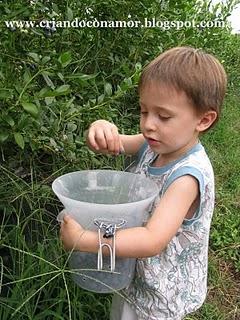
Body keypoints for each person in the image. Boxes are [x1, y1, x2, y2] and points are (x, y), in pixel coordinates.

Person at [60, 46, 227, 319]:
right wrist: (101, 127)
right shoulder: (154, 145)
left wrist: (84, 240)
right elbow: (111, 144)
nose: (148, 125)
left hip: (159, 295)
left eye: (163, 116)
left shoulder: (187, 177)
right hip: (134, 273)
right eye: (143, 111)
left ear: (204, 120)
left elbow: (152, 241)